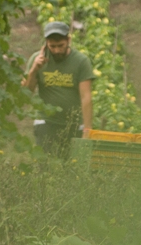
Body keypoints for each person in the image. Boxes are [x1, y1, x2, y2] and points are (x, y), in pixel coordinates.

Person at [22, 21, 94, 155]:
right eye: (52, 46)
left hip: (73, 125)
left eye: (60, 46)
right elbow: (26, 93)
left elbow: (86, 97)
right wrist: (33, 70)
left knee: (71, 168)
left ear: (68, 40)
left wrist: (87, 130)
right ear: (46, 43)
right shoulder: (37, 59)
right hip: (45, 122)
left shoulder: (81, 61)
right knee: (43, 167)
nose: (56, 50)